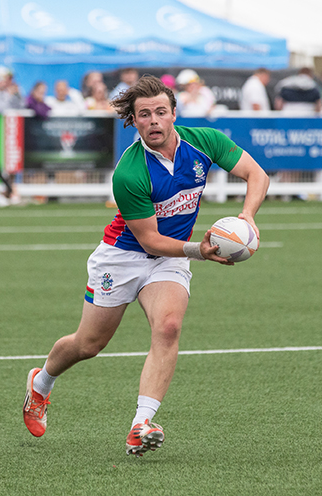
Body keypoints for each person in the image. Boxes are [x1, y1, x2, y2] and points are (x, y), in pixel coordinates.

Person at [22, 75, 270, 456]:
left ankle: (141, 424)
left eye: (160, 112)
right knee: (89, 344)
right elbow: (150, 240)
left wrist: (247, 216)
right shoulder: (129, 172)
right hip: (122, 256)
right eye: (144, 115)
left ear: (174, 114)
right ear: (134, 121)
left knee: (168, 326)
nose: (153, 120)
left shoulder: (205, 142)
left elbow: (257, 175)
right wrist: (199, 251)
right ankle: (41, 384)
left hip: (169, 260)